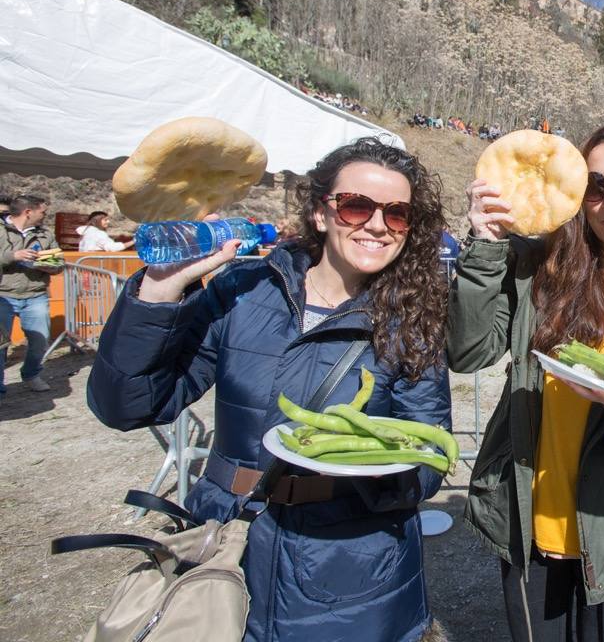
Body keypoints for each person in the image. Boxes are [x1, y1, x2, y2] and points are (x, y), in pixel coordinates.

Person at [86, 138, 452, 642]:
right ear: (321, 213)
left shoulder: (413, 320)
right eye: (356, 205)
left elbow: (429, 462)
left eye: (397, 214)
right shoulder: (245, 290)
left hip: (354, 562)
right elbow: (126, 405)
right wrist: (159, 291)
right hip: (229, 541)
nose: (376, 225)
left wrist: (362, 466)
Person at [448, 123, 604, 642]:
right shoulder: (538, 270)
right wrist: (483, 245)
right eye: (595, 184)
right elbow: (469, 350)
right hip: (526, 513)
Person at [1, 195, 61, 395]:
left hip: (35, 294)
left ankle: (31, 374)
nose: (45, 215)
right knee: (1, 344)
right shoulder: (1, 231)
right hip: (3, 295)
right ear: (28, 212)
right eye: (42, 211)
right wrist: (13, 256)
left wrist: (48, 265)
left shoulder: (45, 234)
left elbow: (58, 263)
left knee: (40, 340)